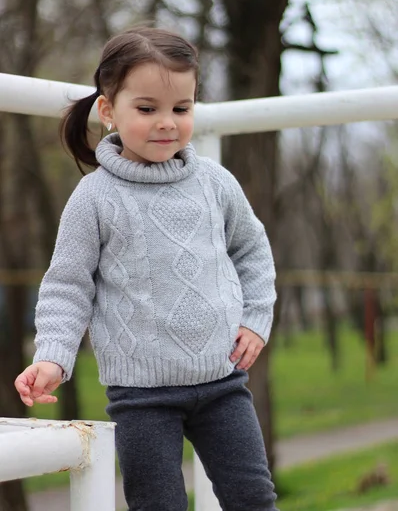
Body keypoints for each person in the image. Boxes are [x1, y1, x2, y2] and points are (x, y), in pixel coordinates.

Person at [15, 26, 278, 511]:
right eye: (147, 108)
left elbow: (252, 250)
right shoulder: (94, 199)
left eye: (182, 108)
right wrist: (53, 355)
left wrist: (256, 318)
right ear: (108, 109)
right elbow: (68, 286)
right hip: (142, 397)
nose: (167, 123)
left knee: (253, 498)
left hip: (223, 384)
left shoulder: (215, 183)